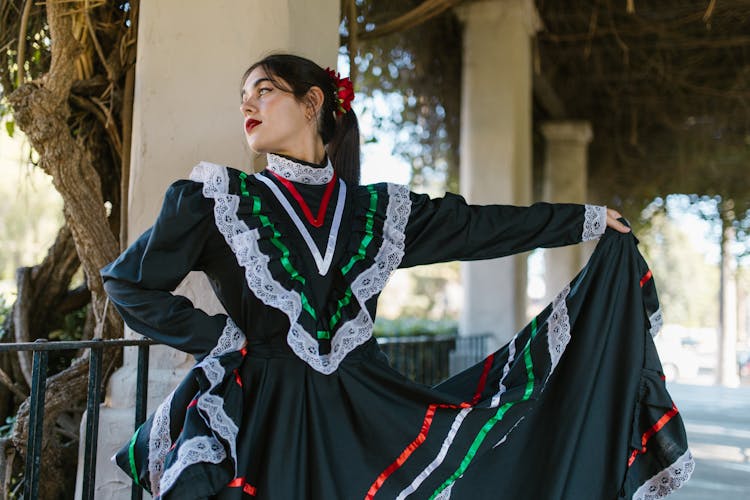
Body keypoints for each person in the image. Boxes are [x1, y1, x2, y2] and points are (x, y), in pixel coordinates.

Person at [102, 54, 692, 499]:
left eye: (264, 91)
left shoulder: (375, 214)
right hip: (263, 411)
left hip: (366, 416)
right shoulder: (218, 200)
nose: (247, 107)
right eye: (242, 97)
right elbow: (129, 283)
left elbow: (475, 227)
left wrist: (583, 221)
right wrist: (218, 338)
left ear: (312, 104)